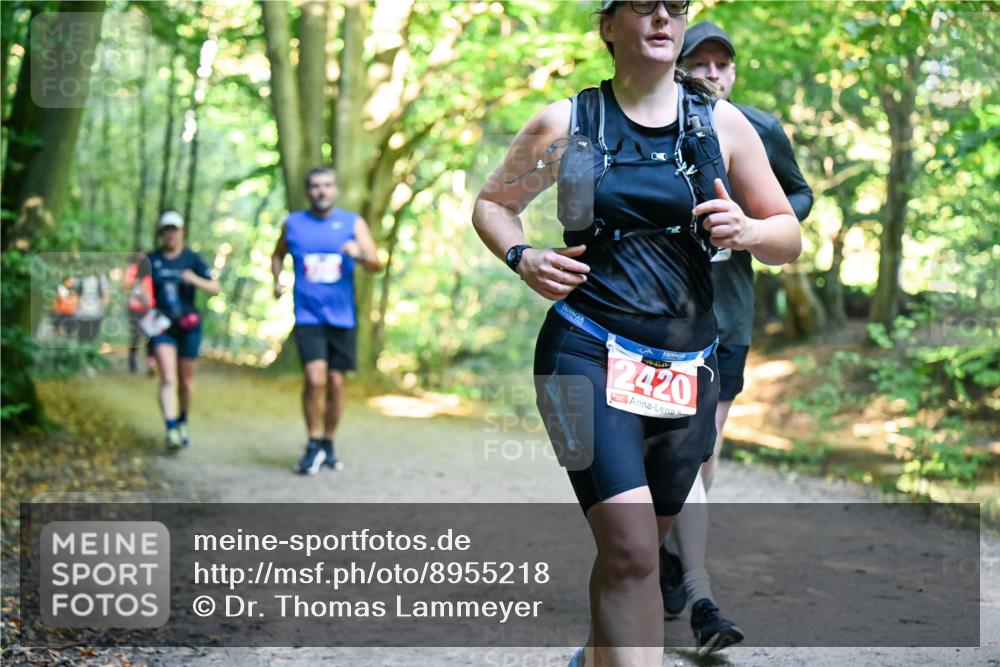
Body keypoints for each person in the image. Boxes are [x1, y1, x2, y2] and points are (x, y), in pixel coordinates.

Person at [472, 1, 801, 664]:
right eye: (642, 6)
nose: (661, 17)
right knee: (628, 548)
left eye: (674, 7)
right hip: (582, 346)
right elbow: (493, 205)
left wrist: (751, 230)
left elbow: (787, 236)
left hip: (688, 363)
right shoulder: (566, 123)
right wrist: (523, 256)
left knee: (638, 554)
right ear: (608, 25)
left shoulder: (723, 125)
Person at [657, 19, 815, 651]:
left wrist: (750, 223)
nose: (713, 75)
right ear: (681, 67)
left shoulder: (755, 129)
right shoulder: (654, 126)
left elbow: (796, 199)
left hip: (729, 315)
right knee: (676, 448)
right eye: (701, 64)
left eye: (723, 65)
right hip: (663, 317)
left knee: (703, 450)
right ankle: (681, 564)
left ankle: (674, 554)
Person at [271, 166, 382, 475]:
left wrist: (359, 253)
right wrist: (277, 281)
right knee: (314, 378)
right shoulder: (293, 224)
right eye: (316, 185)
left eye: (327, 185)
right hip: (308, 315)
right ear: (309, 191)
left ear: (335, 190)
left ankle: (328, 443)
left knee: (335, 383)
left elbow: (376, 264)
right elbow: (277, 254)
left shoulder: (352, 223)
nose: (322, 190)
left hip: (342, 317)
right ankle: (312, 442)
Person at [143, 210, 221, 451]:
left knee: (186, 382)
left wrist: (194, 280)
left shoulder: (192, 259)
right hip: (161, 327)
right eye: (166, 230)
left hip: (189, 327)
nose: (170, 235)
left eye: (174, 230)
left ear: (181, 232)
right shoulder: (150, 260)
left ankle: (182, 420)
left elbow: (215, 288)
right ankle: (171, 429)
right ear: (160, 233)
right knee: (168, 377)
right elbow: (139, 300)